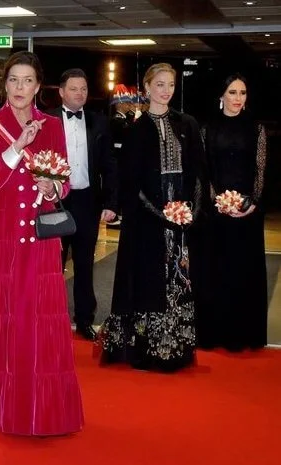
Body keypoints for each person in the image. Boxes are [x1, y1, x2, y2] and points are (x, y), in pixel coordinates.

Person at [0, 51, 83, 435]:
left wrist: (53, 186)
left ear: (37, 86)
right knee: (1, 321)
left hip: (40, 238)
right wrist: (17, 148)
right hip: (0, 238)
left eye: (27, 81)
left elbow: (65, 178)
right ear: (2, 83)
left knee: (37, 322)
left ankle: (39, 413)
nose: (19, 88)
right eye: (13, 80)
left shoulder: (52, 123)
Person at [98, 63, 206, 372]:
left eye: (170, 84)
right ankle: (148, 349)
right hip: (147, 223)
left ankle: (176, 347)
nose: (166, 90)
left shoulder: (187, 123)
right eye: (159, 84)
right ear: (147, 88)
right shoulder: (137, 130)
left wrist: (190, 211)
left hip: (181, 219)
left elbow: (198, 172)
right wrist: (161, 214)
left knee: (178, 280)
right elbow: (130, 181)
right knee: (148, 281)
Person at [197, 73, 268, 351]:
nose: (238, 98)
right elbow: (203, 171)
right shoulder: (207, 129)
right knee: (216, 271)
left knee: (243, 272)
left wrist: (251, 203)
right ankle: (214, 333)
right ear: (221, 95)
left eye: (243, 93)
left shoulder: (256, 128)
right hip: (216, 213)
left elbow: (261, 170)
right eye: (233, 92)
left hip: (248, 214)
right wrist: (219, 201)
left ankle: (243, 335)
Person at [47, 68, 118, 341]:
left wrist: (112, 201)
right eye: (74, 89)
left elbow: (111, 164)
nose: (79, 93)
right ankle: (51, 317)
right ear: (62, 92)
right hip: (56, 202)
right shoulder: (47, 120)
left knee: (86, 263)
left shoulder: (99, 122)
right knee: (53, 264)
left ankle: (85, 318)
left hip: (87, 200)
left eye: (84, 89)